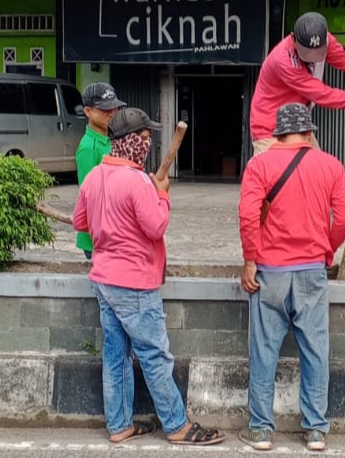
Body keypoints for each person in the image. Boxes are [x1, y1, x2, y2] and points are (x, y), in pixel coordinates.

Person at [73, 108, 225, 447]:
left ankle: (119, 424)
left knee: (116, 355)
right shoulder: (139, 181)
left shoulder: (96, 176)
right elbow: (156, 226)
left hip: (103, 280)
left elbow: (80, 222)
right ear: (130, 142)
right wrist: (162, 194)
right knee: (155, 356)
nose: (148, 143)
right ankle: (176, 426)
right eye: (144, 137)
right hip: (135, 284)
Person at [237, 103, 345, 453]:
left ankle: (260, 430)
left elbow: (247, 215)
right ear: (310, 132)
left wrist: (250, 260)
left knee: (264, 351)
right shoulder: (331, 165)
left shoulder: (259, 164)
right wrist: (326, 251)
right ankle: (316, 430)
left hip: (269, 272)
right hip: (312, 271)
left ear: (278, 133)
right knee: (316, 350)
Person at [249, 11, 345, 155]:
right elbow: (322, 94)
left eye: (317, 53)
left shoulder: (325, 40)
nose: (312, 59)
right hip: (270, 130)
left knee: (317, 173)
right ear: (293, 38)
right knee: (273, 176)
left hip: (298, 125)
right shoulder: (283, 61)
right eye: (306, 53)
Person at [74, 82, 126, 260]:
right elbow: (90, 196)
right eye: (105, 109)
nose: (111, 113)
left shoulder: (112, 140)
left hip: (114, 233)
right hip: (98, 239)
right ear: (88, 111)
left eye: (114, 108)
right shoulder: (89, 148)